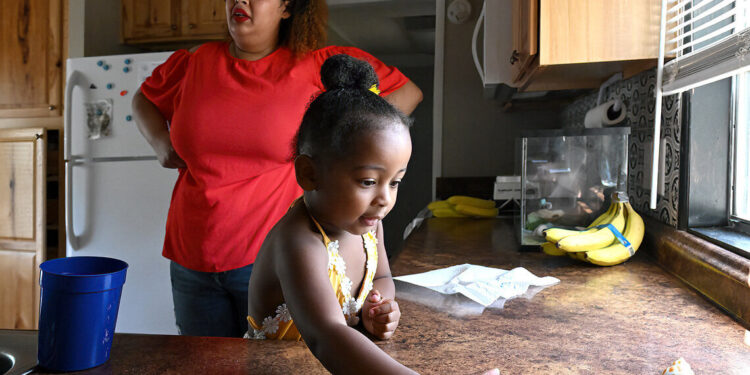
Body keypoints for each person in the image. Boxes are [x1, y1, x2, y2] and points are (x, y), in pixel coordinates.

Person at [131, 0, 422, 338]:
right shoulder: (194, 62)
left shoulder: (316, 66)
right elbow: (144, 99)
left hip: (271, 257)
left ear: (287, 7)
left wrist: (346, 142)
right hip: (191, 255)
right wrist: (160, 142)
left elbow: (408, 93)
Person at [246, 53, 416, 373]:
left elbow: (381, 276)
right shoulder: (299, 242)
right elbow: (328, 335)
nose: (384, 199)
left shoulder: (368, 224)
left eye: (395, 183)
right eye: (368, 181)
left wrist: (376, 308)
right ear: (310, 174)